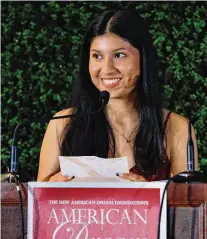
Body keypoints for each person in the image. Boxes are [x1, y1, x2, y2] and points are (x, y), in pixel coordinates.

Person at [37, 10, 198, 182]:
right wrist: (51, 188)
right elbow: (37, 201)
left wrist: (150, 195)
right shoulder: (63, 123)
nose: (107, 69)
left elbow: (190, 202)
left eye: (119, 55)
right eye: (97, 56)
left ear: (143, 58)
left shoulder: (177, 128)